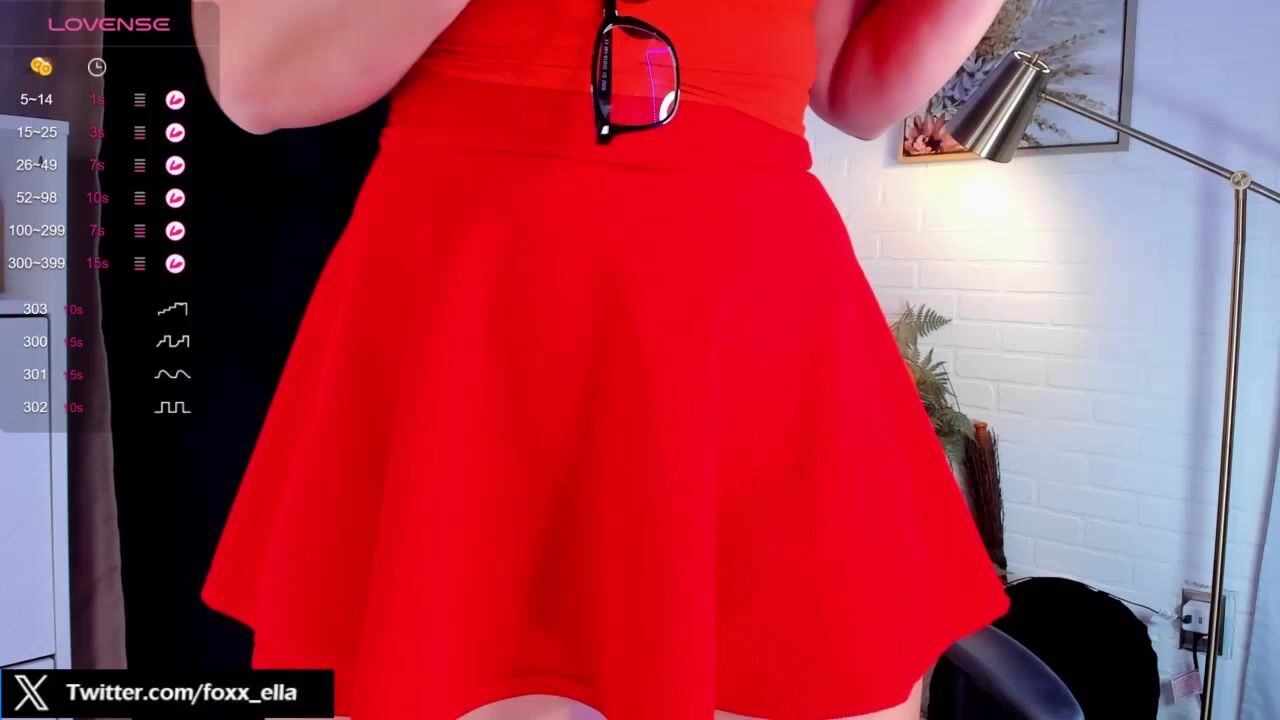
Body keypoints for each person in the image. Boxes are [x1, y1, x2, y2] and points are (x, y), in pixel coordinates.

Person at [197, 1, 1009, 718]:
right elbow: (259, 78)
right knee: (459, 667)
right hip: (479, 290)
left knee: (814, 663)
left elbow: (846, 88)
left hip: (753, 297)